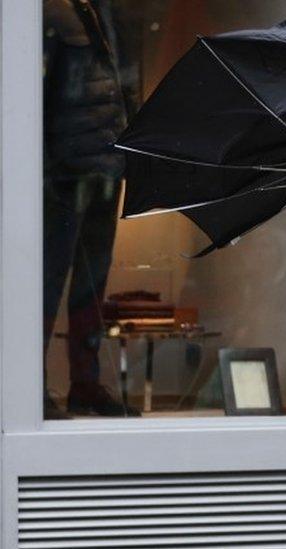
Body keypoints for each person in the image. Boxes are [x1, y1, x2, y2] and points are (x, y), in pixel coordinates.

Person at [42, 0, 138, 418]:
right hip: (63, 168)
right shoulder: (49, 9)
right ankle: (31, 385)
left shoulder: (105, 10)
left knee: (91, 281)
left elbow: (120, 84)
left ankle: (85, 382)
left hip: (105, 161)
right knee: (46, 282)